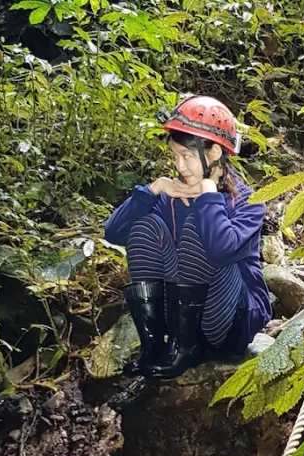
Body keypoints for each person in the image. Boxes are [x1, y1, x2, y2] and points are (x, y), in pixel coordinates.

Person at [104, 95, 272, 379]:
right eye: (175, 156)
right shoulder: (171, 193)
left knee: (199, 226)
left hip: (229, 323)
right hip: (180, 318)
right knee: (146, 227)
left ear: (215, 153)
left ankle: (185, 349)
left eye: (188, 157)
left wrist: (208, 197)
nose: (179, 167)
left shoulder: (249, 202)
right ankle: (154, 346)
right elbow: (114, 233)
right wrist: (154, 190)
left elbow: (220, 251)